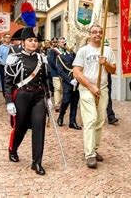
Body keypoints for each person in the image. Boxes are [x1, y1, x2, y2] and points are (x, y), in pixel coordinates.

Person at [4, 27, 52, 175]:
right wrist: (9, 101)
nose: (33, 43)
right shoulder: (14, 58)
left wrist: (49, 97)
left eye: (35, 40)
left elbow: (45, 80)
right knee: (20, 126)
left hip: (38, 97)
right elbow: (7, 82)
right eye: (30, 40)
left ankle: (36, 162)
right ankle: (13, 149)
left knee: (39, 128)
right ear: (23, 42)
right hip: (22, 96)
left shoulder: (41, 58)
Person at [73, 25, 116, 169]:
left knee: (99, 120)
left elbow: (114, 70)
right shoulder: (83, 51)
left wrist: (106, 63)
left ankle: (94, 148)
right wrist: (91, 87)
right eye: (94, 32)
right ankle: (89, 154)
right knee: (90, 119)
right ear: (89, 34)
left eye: (100, 32)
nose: (97, 34)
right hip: (87, 89)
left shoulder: (108, 50)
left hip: (103, 89)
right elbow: (76, 72)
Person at [56, 38, 81, 130]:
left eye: (72, 44)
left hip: (77, 81)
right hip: (67, 82)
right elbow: (60, 71)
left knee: (75, 102)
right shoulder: (61, 56)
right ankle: (61, 115)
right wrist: (70, 80)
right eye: (68, 44)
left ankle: (72, 122)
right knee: (66, 101)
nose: (71, 46)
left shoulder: (77, 56)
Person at [47, 37, 63, 112]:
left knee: (62, 89)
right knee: (57, 88)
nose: (55, 43)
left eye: (56, 42)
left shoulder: (62, 50)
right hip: (55, 72)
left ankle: (62, 103)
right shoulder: (51, 51)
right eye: (54, 42)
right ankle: (57, 105)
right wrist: (58, 69)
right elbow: (51, 62)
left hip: (63, 73)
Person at [105, 38, 118, 125]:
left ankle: (111, 116)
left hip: (107, 75)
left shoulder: (109, 51)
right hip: (94, 77)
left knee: (108, 96)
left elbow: (113, 66)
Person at [0, 33, 12, 98]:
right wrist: (5, 64)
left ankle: (11, 95)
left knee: (12, 81)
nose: (8, 38)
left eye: (9, 37)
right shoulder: (0, 47)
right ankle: (5, 96)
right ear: (4, 38)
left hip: (12, 67)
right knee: (4, 81)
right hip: (3, 67)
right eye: (6, 37)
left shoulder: (13, 47)